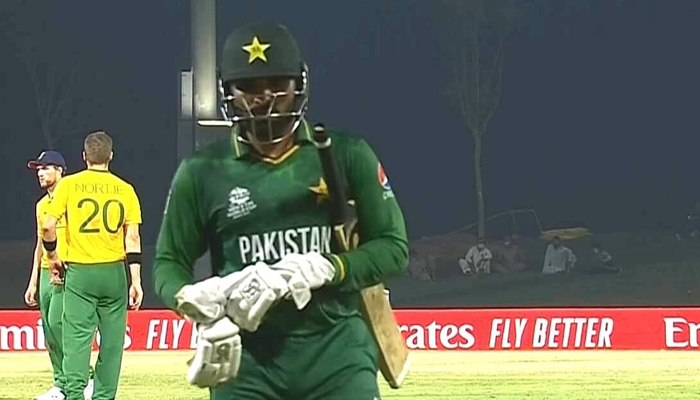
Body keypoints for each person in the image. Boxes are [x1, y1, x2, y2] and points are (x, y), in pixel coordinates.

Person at [153, 22, 409, 400]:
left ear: (299, 85)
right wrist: (189, 298)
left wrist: (332, 267)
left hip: (336, 354)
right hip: (246, 365)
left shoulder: (346, 154)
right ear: (229, 92)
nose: (265, 99)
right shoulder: (201, 172)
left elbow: (394, 248)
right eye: (250, 89)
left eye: (277, 85)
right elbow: (168, 262)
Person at [41, 131, 144, 400]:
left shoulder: (69, 185)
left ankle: (75, 396)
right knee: (112, 345)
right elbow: (132, 238)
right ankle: (104, 397)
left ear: (84, 156)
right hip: (114, 273)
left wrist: (52, 258)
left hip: (80, 273)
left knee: (76, 341)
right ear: (110, 156)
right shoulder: (126, 189)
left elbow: (48, 226)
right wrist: (136, 281)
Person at [24, 151, 95, 400]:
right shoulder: (42, 205)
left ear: (60, 170)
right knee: (49, 330)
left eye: (46, 168)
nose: (40, 173)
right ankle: (61, 384)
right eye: (38, 169)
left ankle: (84, 378)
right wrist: (33, 281)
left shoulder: (73, 199)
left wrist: (66, 266)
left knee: (61, 326)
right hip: (45, 273)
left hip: (68, 271)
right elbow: (40, 243)